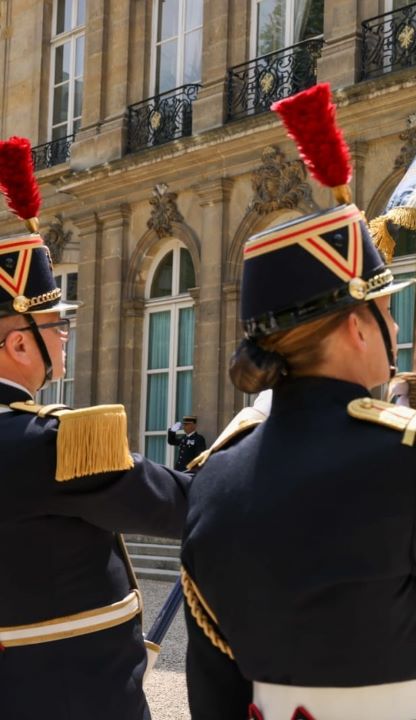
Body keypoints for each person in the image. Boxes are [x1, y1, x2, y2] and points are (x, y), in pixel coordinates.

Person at [180, 83, 416, 720]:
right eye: (384, 309)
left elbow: (213, 685)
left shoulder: (214, 474)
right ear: (357, 326)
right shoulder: (411, 456)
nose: (390, 326)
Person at [0, 136, 191, 720]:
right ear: (16, 343)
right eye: (56, 326)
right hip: (71, 695)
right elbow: (182, 506)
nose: (65, 337)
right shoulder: (50, 444)